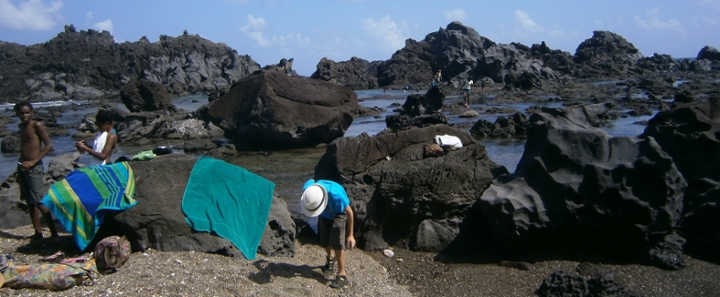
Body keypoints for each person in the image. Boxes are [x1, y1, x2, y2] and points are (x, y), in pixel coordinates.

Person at [14, 101, 59, 241]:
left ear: (32, 113)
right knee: (29, 201)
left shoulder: (36, 125)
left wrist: (33, 162)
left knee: (39, 201)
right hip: (22, 167)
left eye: (27, 112)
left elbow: (49, 145)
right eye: (21, 113)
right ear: (17, 114)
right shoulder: (21, 127)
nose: (24, 115)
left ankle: (54, 234)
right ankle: (38, 232)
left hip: (34, 168)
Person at [300, 179, 355, 289]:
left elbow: (350, 213)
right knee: (324, 241)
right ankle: (330, 257)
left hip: (339, 213)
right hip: (325, 214)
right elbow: (310, 180)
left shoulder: (337, 196)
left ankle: (342, 274)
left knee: (337, 241)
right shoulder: (310, 191)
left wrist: (350, 235)